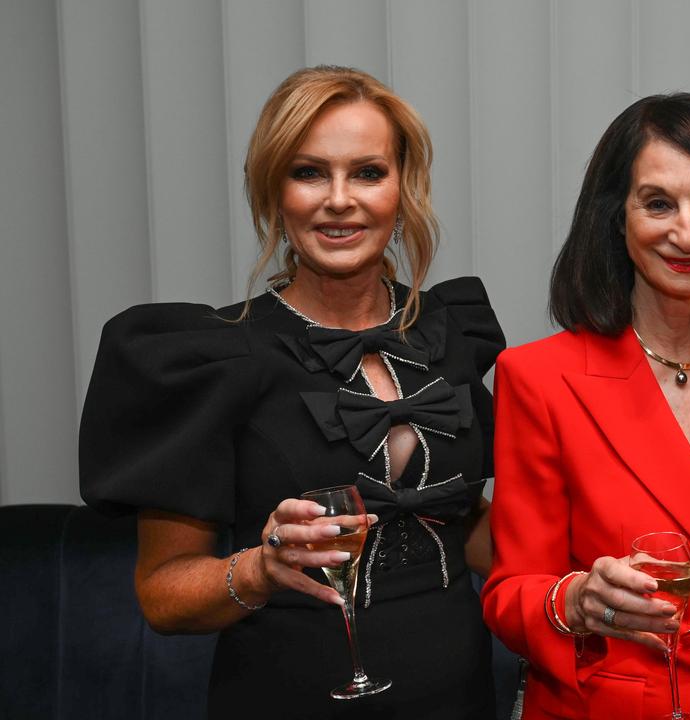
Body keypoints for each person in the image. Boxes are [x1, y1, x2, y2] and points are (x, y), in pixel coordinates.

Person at [79, 66, 503, 718]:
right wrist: (260, 567)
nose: (340, 198)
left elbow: (462, 528)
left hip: (457, 690)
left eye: (367, 172)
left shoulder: (449, 333)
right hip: (288, 693)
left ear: (403, 187)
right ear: (273, 191)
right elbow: (162, 595)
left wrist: (580, 565)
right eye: (309, 172)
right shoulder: (212, 358)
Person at [482, 93, 690, 719]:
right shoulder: (538, 378)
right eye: (658, 203)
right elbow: (508, 593)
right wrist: (575, 600)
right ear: (616, 217)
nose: (687, 234)